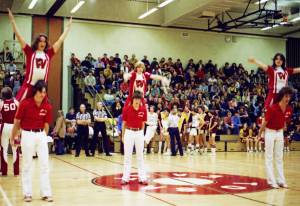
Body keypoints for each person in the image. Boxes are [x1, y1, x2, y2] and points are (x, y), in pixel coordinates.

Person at [7, 8, 72, 101]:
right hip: (29, 86)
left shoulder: (48, 54)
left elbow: (60, 41)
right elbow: (19, 36)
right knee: (17, 107)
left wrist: (67, 28)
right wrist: (13, 21)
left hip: (41, 89)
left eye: (44, 41)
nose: (43, 43)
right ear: (37, 42)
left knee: (45, 110)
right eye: (40, 41)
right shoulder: (30, 52)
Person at [10, 80, 53, 202]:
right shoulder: (25, 104)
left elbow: (46, 124)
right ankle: (27, 193)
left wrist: (43, 136)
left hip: (41, 135)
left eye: (44, 92)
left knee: (44, 165)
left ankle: (46, 193)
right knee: (27, 165)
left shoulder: (47, 105)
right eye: (41, 92)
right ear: (36, 91)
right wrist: (13, 136)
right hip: (27, 134)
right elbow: (17, 122)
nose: (43, 95)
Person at [258, 87, 294, 189]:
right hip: (269, 132)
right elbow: (265, 122)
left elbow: (284, 121)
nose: (288, 98)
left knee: (279, 157)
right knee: (269, 157)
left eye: (289, 96)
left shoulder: (289, 109)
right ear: (281, 96)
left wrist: (283, 126)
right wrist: (259, 134)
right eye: (286, 96)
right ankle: (271, 181)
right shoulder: (272, 108)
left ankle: (281, 180)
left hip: (280, 133)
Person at [121, 91, 148, 185]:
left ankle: (142, 178)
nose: (137, 101)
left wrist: (142, 135)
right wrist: (123, 136)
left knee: (140, 156)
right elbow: (123, 124)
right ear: (132, 99)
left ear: (141, 100)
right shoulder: (126, 109)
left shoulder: (143, 109)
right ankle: (125, 178)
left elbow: (143, 123)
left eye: (139, 99)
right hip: (128, 132)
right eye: (135, 99)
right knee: (127, 156)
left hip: (139, 133)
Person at [0, 87, 19, 176]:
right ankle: (16, 171)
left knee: (4, 149)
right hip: (14, 127)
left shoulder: (1, 103)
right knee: (16, 149)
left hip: (4, 127)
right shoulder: (16, 102)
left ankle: (4, 171)